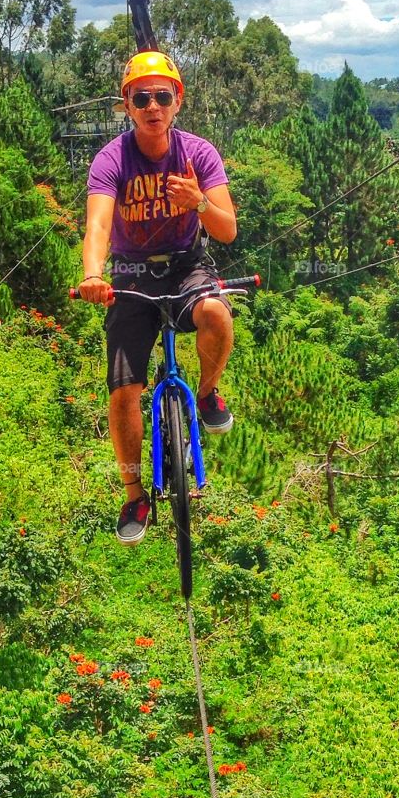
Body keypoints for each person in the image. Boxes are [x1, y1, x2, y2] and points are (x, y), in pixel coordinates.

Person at [77, 50, 238, 544]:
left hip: (186, 263)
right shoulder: (112, 159)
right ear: (127, 105)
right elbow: (99, 222)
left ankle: (207, 391)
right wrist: (92, 274)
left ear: (177, 101)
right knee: (124, 389)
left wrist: (199, 202)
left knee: (216, 313)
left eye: (161, 97)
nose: (152, 106)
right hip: (130, 272)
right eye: (140, 98)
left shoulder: (198, 154)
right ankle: (133, 492)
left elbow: (227, 230)